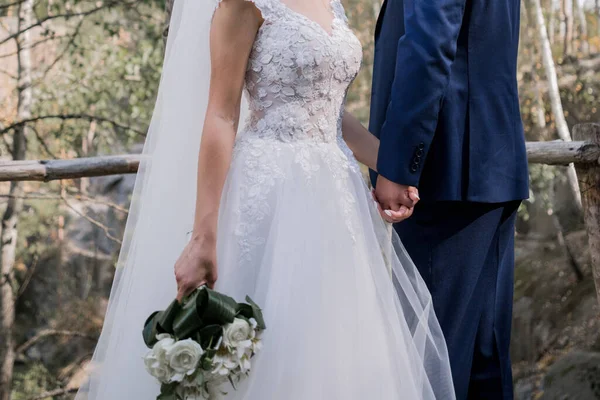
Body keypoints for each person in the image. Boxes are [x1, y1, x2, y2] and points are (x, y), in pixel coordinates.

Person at [76, 0, 455, 399]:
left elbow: (329, 112)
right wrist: (203, 236)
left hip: (336, 199)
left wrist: (393, 170)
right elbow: (221, 115)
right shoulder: (242, 3)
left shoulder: (332, 4)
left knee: (334, 346)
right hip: (270, 194)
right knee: (266, 342)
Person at [369, 0, 529, 398]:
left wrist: (399, 165)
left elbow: (429, 43)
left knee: (433, 368)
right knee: (482, 369)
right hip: (486, 171)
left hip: (444, 180)